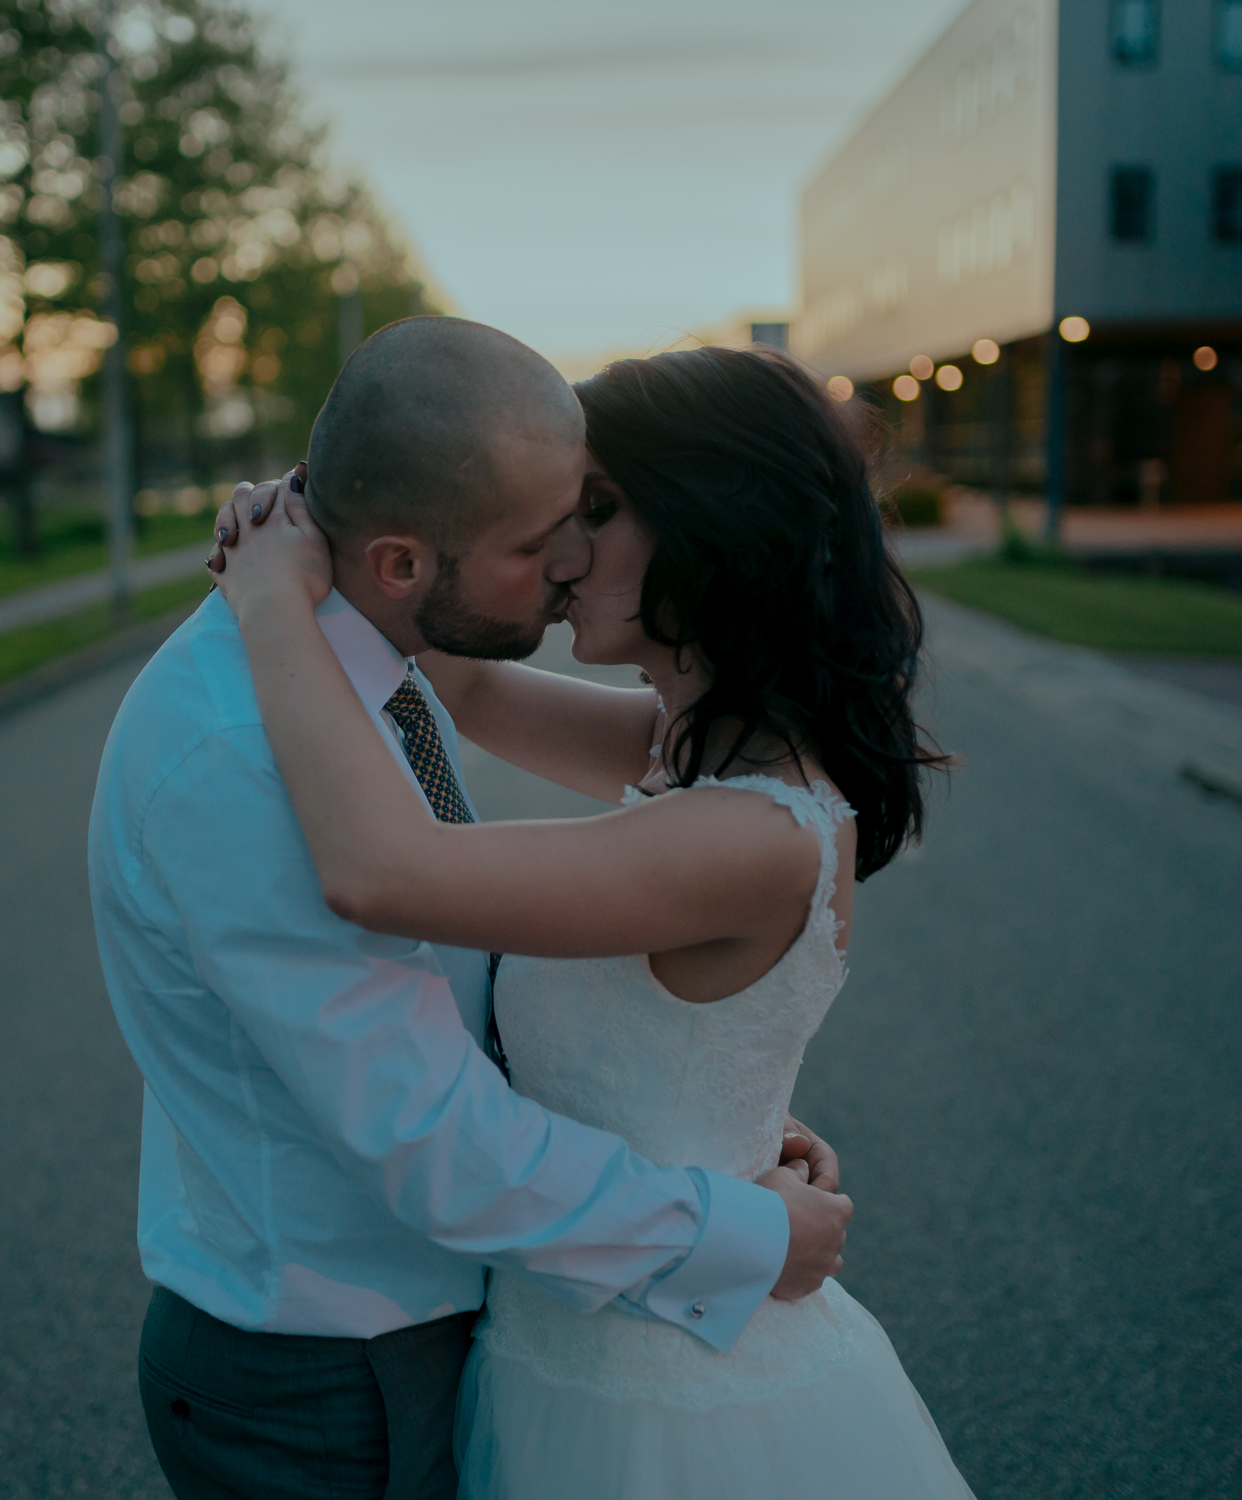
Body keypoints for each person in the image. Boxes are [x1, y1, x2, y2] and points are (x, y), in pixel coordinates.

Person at [88, 316, 855, 1500]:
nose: (563, 564)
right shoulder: (257, 751)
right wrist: (731, 1221)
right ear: (401, 564)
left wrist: (718, 1124)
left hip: (509, 1322)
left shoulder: (379, 679)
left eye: (591, 515)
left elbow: (417, 850)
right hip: (336, 1370)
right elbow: (432, 1136)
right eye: (545, 532)